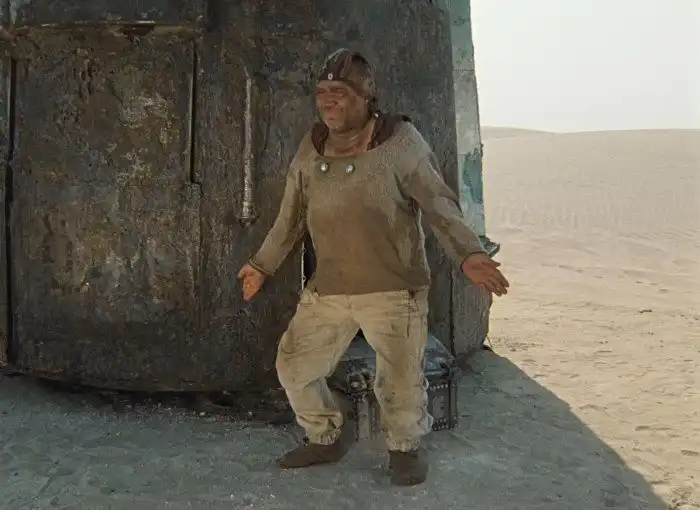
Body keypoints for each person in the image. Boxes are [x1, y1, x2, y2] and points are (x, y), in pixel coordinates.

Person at [237, 49, 509, 486]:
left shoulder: (400, 142)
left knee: (400, 380)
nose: (328, 101)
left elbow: (439, 205)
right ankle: (325, 437)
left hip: (393, 289)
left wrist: (469, 254)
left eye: (339, 92)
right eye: (322, 92)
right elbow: (291, 216)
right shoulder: (313, 145)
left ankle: (404, 449)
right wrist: (261, 265)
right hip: (330, 288)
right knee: (294, 366)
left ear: (366, 96)